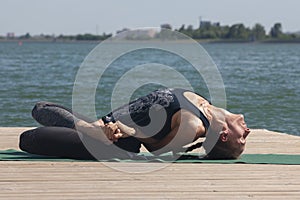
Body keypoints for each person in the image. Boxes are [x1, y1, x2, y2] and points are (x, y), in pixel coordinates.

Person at [19, 88, 251, 160]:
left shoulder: (194, 126)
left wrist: (123, 131)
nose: (247, 131)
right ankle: (92, 129)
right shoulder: (203, 102)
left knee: (28, 139)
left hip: (117, 143)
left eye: (242, 137)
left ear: (223, 135)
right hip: (110, 125)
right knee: (40, 108)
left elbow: (157, 149)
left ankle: (91, 131)